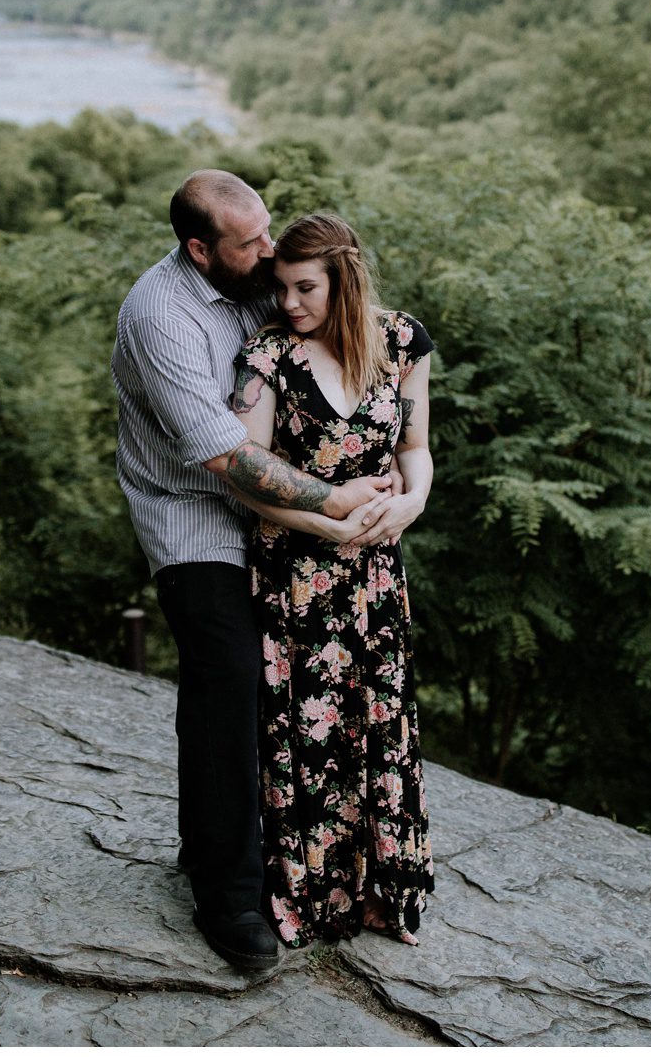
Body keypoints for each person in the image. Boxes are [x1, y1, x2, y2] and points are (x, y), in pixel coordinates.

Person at [111, 171, 392, 976]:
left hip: (286, 507)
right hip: (197, 510)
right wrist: (336, 502)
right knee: (228, 670)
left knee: (307, 673)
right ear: (200, 250)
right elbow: (228, 459)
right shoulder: (160, 317)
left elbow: (340, 324)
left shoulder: (256, 279)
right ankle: (226, 893)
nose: (269, 250)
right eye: (251, 241)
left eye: (268, 230)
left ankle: (304, 855)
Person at [226, 212, 435, 947]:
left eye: (304, 287)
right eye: (280, 287)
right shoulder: (267, 356)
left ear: (343, 279)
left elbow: (415, 448)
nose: (288, 302)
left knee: (378, 721)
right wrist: (327, 524)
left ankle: (383, 892)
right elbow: (246, 478)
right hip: (296, 572)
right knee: (307, 731)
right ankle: (313, 896)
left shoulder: (402, 342)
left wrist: (411, 503)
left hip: (375, 573)